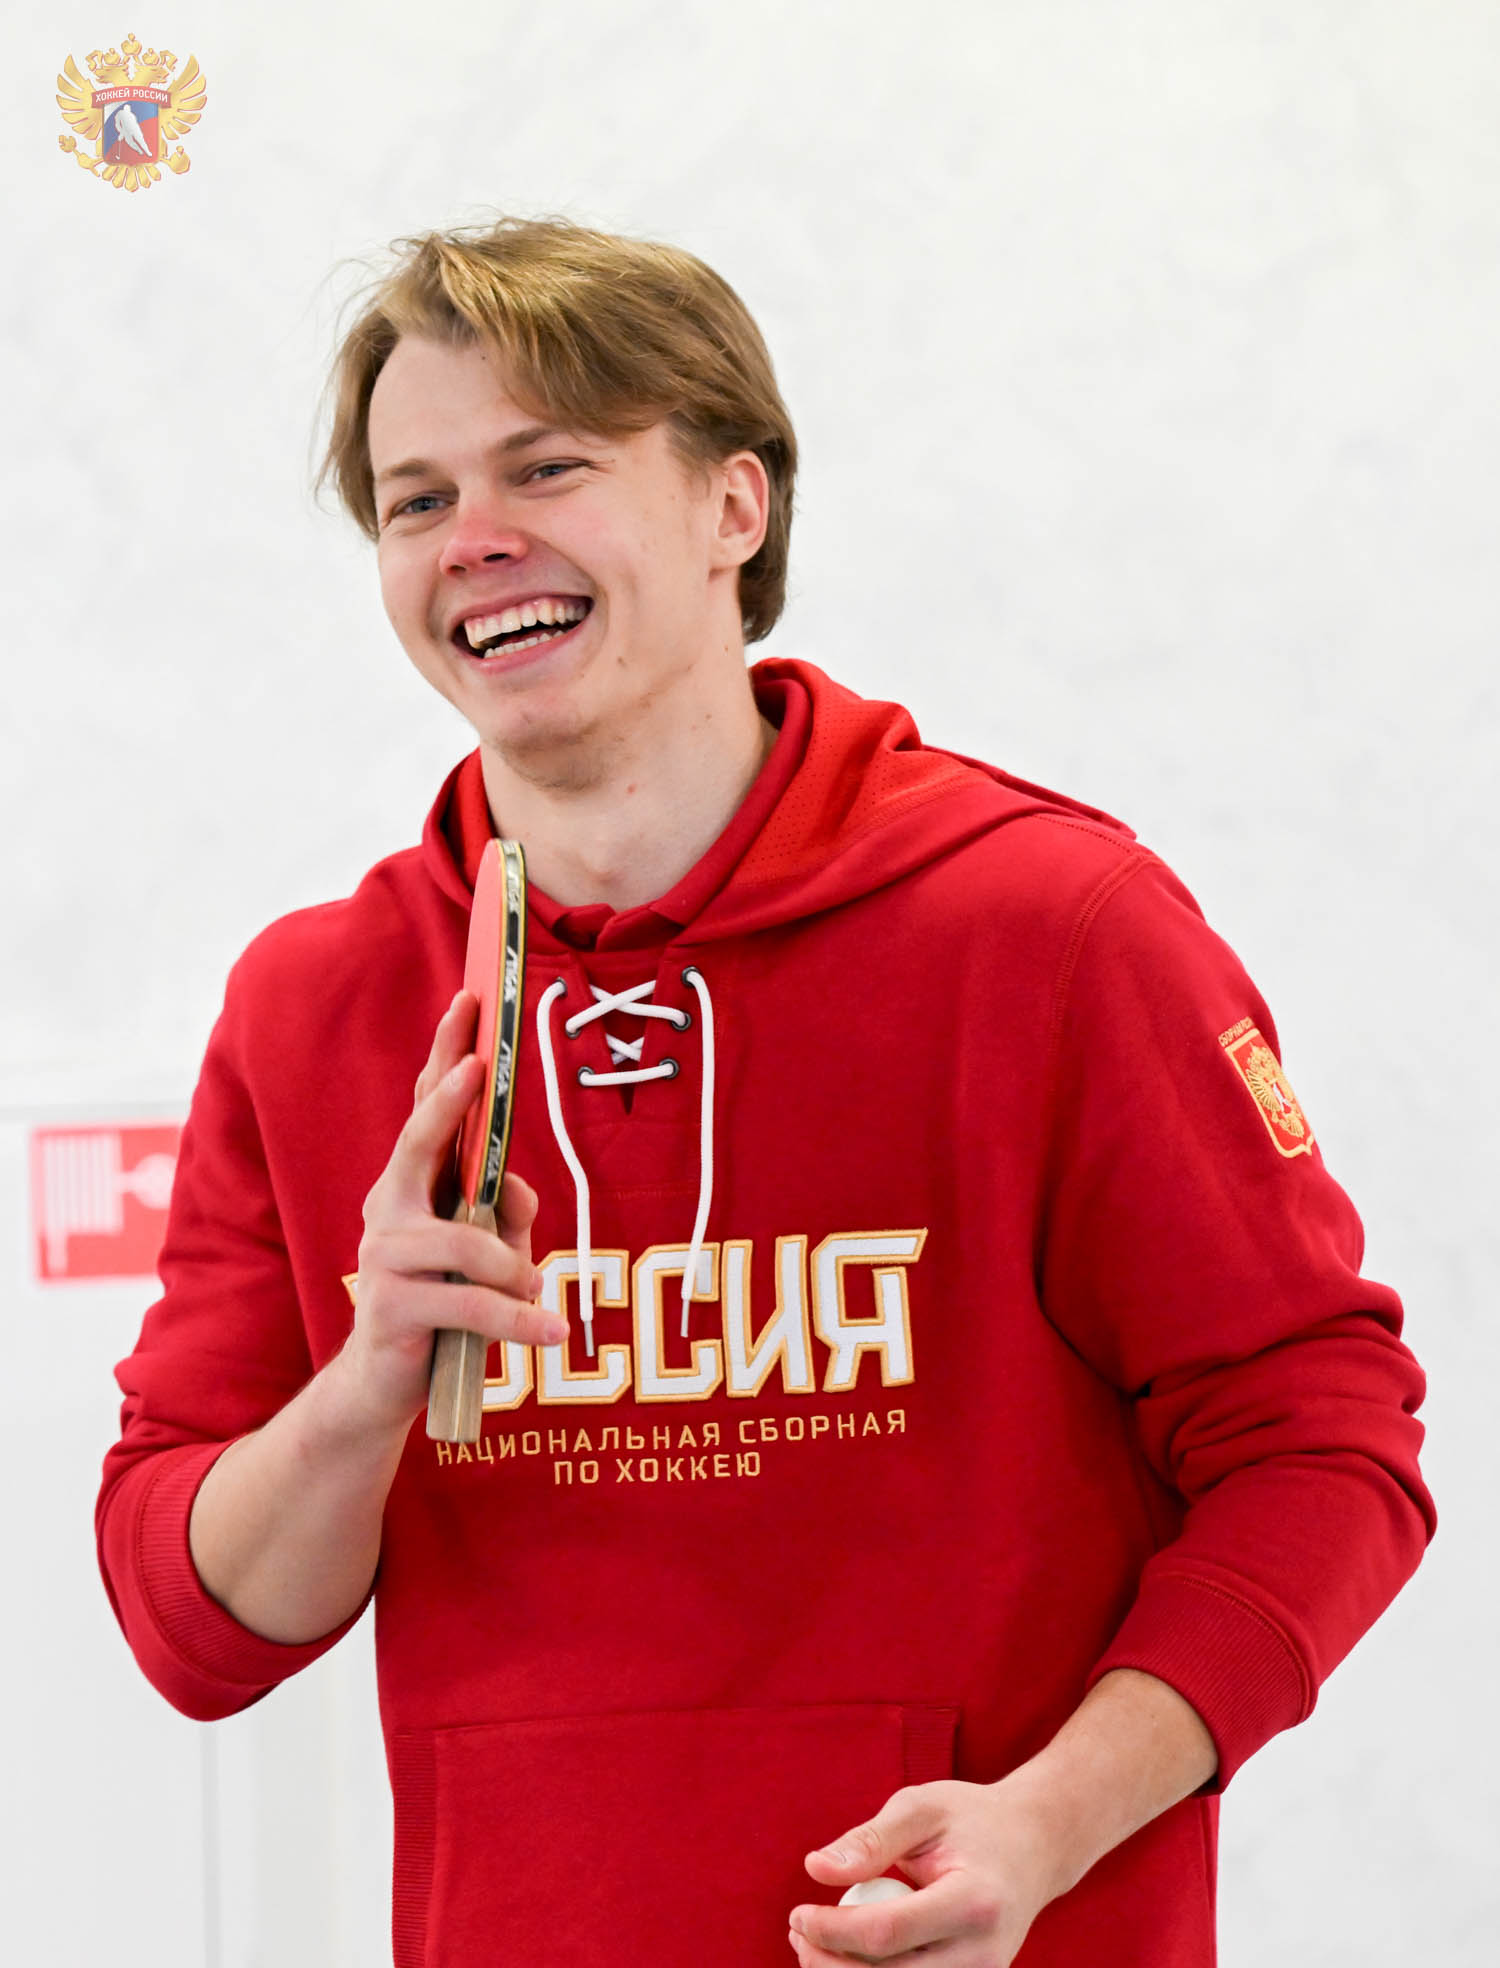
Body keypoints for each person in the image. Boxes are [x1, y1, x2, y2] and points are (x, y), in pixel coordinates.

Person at [97, 217, 1434, 1968]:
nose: (473, 535)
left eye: (545, 467)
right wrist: (363, 1389)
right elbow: (193, 1629)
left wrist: (1050, 1822)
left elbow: (1324, 1445)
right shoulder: (314, 1003)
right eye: (416, 499)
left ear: (736, 503)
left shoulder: (1055, 930)